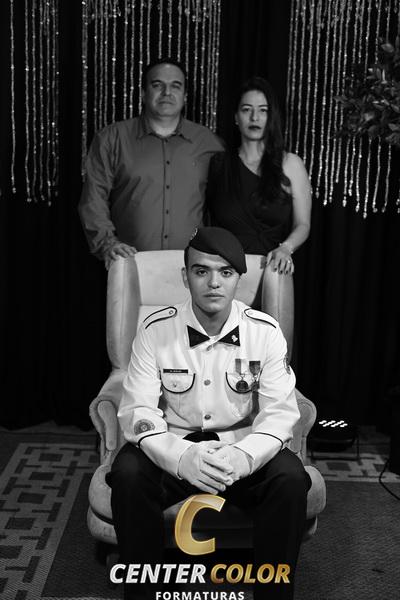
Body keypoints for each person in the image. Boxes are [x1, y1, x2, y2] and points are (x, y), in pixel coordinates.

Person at [107, 227, 311, 600]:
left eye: (225, 272)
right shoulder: (154, 330)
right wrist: (180, 457)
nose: (214, 283)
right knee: (128, 472)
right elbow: (138, 410)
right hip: (175, 449)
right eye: (201, 271)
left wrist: (245, 456)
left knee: (290, 477)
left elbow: (280, 414)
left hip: (240, 452)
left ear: (238, 279)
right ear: (185, 277)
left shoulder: (265, 332)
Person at [78, 58, 223, 267]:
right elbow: (93, 199)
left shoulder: (209, 143)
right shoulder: (112, 139)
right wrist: (108, 244)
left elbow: (229, 203)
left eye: (175, 86)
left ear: (185, 96)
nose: (167, 92)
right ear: (144, 93)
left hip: (193, 269)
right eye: (157, 85)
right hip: (129, 264)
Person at [206, 76, 311, 276]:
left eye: (263, 110)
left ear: (272, 117)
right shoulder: (218, 164)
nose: (255, 117)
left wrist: (286, 248)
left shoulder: (291, 164)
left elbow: (303, 224)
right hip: (224, 274)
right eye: (247, 110)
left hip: (273, 271)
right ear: (236, 117)